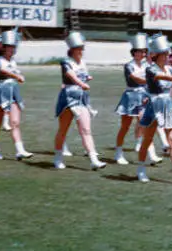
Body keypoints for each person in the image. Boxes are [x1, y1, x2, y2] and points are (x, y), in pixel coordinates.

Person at [133, 34, 172, 183]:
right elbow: (161, 77)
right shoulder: (150, 69)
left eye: (167, 53)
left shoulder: (171, 69)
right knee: (147, 139)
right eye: (164, 54)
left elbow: (170, 86)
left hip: (167, 105)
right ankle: (141, 169)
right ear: (157, 55)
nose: (167, 56)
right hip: (154, 105)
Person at [52, 32, 106, 170]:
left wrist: (87, 78)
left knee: (86, 129)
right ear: (72, 50)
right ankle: (58, 157)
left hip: (81, 98)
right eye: (79, 48)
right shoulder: (66, 62)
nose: (82, 51)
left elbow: (84, 75)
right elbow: (70, 74)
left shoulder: (83, 62)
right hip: (68, 97)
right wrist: (81, 83)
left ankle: (94, 160)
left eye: (82, 48)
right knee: (63, 129)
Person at [113, 33, 161, 165]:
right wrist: (150, 80)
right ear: (134, 52)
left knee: (146, 125)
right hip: (130, 97)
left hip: (143, 97)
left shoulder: (147, 65)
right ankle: (118, 153)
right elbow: (136, 78)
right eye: (140, 51)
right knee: (125, 127)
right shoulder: (128, 65)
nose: (143, 54)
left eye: (144, 52)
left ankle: (152, 155)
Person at [0, 29, 33, 161]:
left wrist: (17, 75)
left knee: (15, 122)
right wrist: (16, 75)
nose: (12, 50)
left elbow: (15, 71)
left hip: (13, 92)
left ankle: (20, 150)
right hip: (1, 91)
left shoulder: (13, 61)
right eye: (10, 47)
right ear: (4, 48)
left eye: (14, 47)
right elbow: (2, 70)